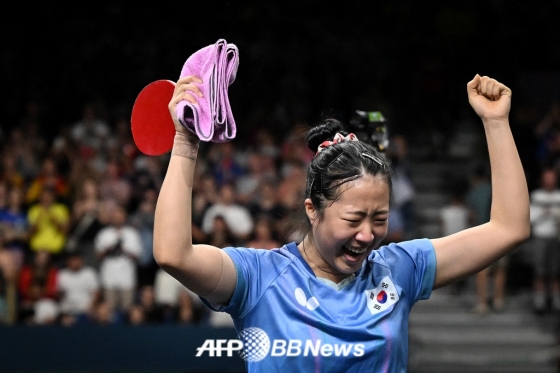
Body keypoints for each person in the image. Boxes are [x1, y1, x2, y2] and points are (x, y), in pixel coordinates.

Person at [153, 74, 529, 372]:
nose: (367, 235)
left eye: (379, 219)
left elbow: (509, 228)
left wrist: (496, 123)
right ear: (313, 210)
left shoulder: (399, 270)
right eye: (353, 219)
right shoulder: (259, 278)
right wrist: (185, 143)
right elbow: (173, 254)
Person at [529, 167, 560, 313]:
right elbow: (531, 218)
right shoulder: (536, 196)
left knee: (555, 272)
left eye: (551, 177)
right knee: (539, 272)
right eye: (547, 177)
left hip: (555, 237)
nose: (549, 180)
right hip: (540, 237)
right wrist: (545, 212)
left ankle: (555, 301)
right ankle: (539, 302)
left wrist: (552, 213)